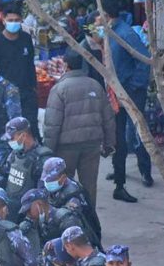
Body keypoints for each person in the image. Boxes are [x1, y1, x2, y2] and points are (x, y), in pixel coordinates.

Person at [92, 0, 153, 201]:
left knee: (139, 131)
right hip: (116, 93)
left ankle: (145, 171)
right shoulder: (109, 33)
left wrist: (134, 85)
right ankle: (119, 174)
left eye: (98, 15)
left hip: (131, 92)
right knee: (118, 135)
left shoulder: (125, 34)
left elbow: (144, 61)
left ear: (106, 15)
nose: (96, 18)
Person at [43, 49, 116, 207]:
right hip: (92, 144)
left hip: (66, 147)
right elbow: (108, 118)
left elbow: (52, 124)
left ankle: (67, 218)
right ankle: (90, 219)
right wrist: (110, 143)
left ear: (65, 66)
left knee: (64, 185)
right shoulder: (95, 85)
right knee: (89, 187)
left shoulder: (59, 89)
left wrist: (48, 151)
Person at [0, 117, 52, 218]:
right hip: (10, 208)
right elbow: (2, 176)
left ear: (23, 135)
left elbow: (43, 194)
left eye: (12, 138)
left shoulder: (42, 159)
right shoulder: (15, 154)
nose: (10, 142)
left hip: (27, 213)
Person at [0, 3, 39, 128]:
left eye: (16, 20)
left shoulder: (26, 39)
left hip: (26, 93)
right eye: (10, 20)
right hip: (5, 95)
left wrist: (34, 87)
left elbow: (30, 64)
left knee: (30, 127)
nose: (13, 23)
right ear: (3, 20)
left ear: (21, 20)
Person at [41, 156, 102, 251]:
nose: (47, 183)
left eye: (51, 180)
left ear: (63, 177)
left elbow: (71, 226)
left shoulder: (73, 196)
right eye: (46, 180)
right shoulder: (56, 187)